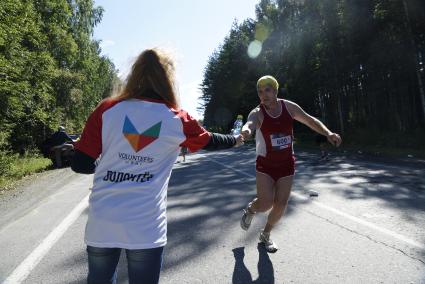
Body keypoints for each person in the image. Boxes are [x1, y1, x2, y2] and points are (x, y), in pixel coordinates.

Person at [71, 48, 243, 284]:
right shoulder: (177, 119)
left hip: (103, 221)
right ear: (168, 79)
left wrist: (108, 165)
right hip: (145, 226)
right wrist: (236, 139)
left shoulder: (107, 109)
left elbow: (80, 164)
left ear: (134, 74)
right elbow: (210, 140)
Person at [240, 75, 341, 253]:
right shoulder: (257, 112)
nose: (263, 95)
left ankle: (265, 235)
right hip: (265, 164)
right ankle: (250, 209)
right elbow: (249, 124)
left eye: (267, 90)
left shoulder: (289, 107)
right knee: (265, 204)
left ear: (276, 91)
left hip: (286, 164)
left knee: (280, 205)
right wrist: (246, 131)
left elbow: (310, 120)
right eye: (260, 92)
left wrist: (328, 133)